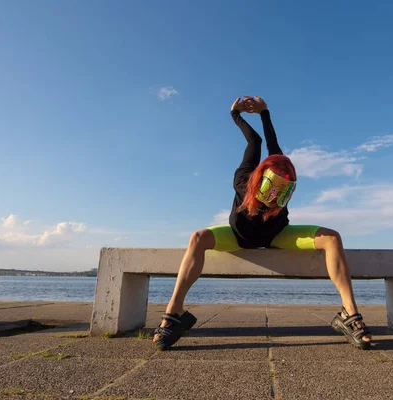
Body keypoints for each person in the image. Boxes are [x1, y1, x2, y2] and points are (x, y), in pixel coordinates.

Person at [153, 96, 372, 350]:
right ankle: (174, 312)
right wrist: (236, 115)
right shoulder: (244, 178)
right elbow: (256, 141)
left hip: (278, 235)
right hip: (238, 236)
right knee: (198, 237)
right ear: (259, 181)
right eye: (271, 190)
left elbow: (273, 144)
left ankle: (350, 315)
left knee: (332, 237)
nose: (274, 199)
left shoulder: (280, 174)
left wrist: (265, 112)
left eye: (283, 192)